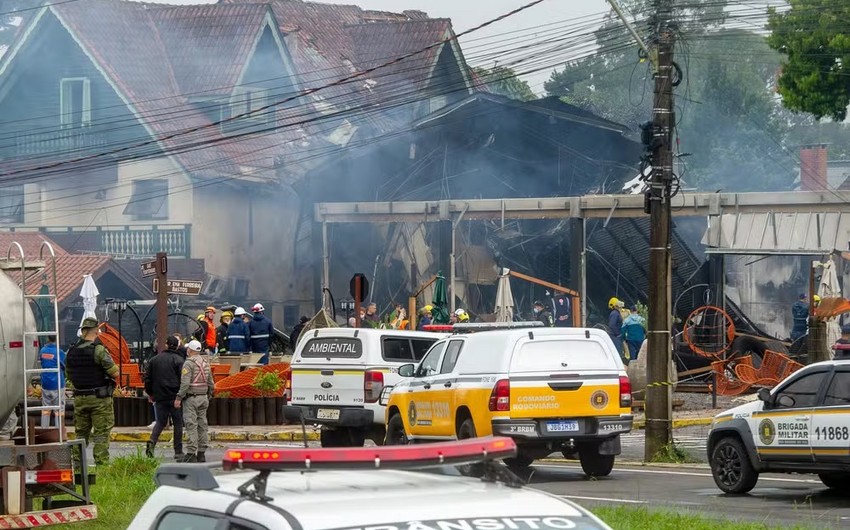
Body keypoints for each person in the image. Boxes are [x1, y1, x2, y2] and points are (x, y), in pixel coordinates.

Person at [65, 318, 118, 466]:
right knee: (101, 433)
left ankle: (76, 463)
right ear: (96, 331)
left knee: (80, 432)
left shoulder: (72, 350)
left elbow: (69, 375)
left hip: (80, 399)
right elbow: (115, 373)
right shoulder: (98, 350)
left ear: (82, 330)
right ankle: (101, 463)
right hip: (99, 399)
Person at [145, 336, 185, 459]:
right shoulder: (179, 360)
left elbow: (147, 379)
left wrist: (151, 394)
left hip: (160, 396)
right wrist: (181, 396)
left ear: (166, 345)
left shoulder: (154, 360)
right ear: (177, 346)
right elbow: (183, 380)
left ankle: (152, 442)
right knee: (178, 424)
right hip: (175, 397)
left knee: (160, 422)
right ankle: (178, 451)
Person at [175, 340, 214, 463]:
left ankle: (191, 453)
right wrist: (209, 394)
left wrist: (179, 397)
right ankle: (201, 453)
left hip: (191, 398)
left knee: (191, 424)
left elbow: (185, 383)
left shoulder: (188, 363)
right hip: (203, 397)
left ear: (189, 350)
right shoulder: (205, 362)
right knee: (203, 424)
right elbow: (211, 383)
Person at [38, 335, 66, 428]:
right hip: (57, 383)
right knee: (59, 409)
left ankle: (44, 428)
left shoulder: (42, 351)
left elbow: (42, 362)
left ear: (48, 339)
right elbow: (64, 365)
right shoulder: (59, 352)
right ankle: (59, 431)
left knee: (46, 409)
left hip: (45, 382)